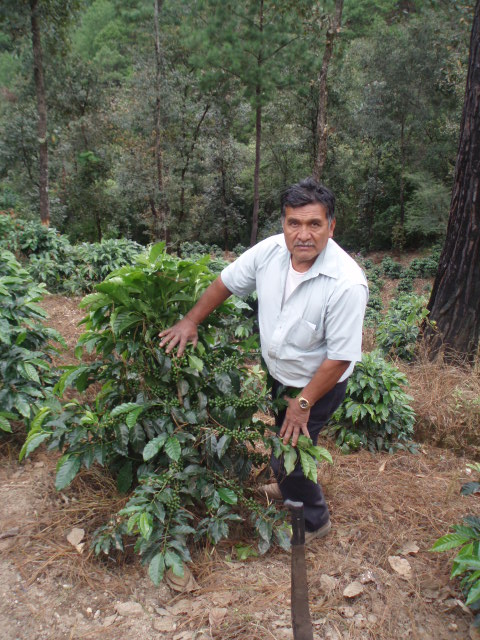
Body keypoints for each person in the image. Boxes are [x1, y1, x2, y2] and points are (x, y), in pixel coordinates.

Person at [159, 177, 368, 542]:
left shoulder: (347, 282)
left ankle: (313, 521)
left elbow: (338, 357)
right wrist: (191, 320)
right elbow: (225, 282)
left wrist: (303, 403)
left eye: (315, 224)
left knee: (288, 447)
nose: (304, 234)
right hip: (279, 373)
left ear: (331, 227)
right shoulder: (268, 253)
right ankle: (289, 486)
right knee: (282, 436)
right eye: (294, 223)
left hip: (319, 382)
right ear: (283, 225)